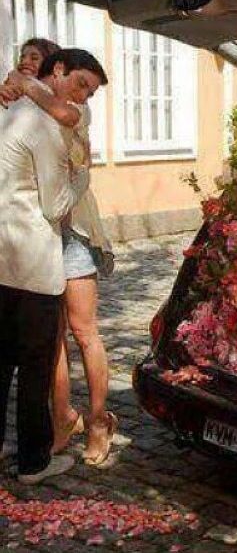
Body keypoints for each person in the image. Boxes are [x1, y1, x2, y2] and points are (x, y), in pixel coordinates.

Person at [2, 45, 117, 466]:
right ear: (60, 71)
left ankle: (98, 420)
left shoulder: (72, 111)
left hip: (73, 235)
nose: (84, 95)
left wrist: (25, 85)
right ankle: (61, 421)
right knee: (47, 346)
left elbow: (67, 114)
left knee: (84, 333)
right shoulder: (29, 111)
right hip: (39, 238)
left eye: (89, 89)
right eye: (81, 85)